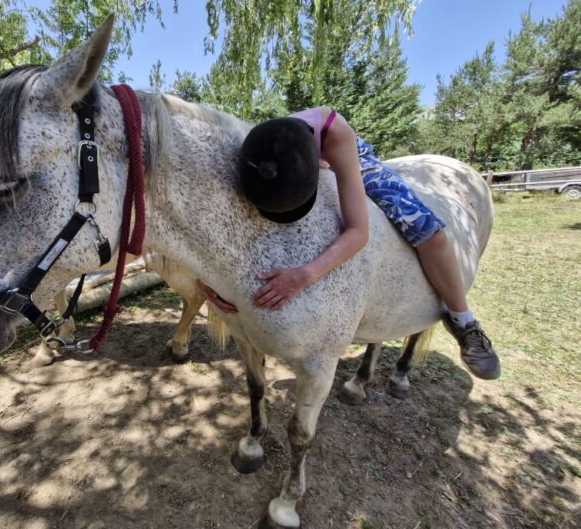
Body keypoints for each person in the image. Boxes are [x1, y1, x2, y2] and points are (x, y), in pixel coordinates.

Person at [199, 107, 500, 380]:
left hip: (348, 156)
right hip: (299, 163)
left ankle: (464, 321)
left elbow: (358, 233)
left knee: (425, 229)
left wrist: (303, 276)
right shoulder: (253, 151)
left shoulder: (336, 133)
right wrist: (209, 279)